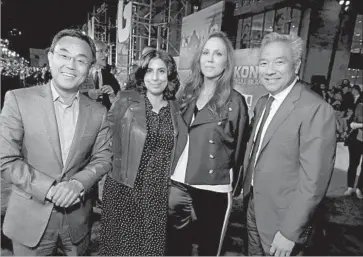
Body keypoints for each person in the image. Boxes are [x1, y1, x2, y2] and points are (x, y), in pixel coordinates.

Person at [0, 29, 112, 256]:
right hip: (30, 222)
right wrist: (49, 189)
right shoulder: (18, 100)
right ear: (50, 57)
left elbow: (104, 156)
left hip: (77, 224)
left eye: (81, 60)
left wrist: (79, 183)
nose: (71, 65)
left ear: (89, 67)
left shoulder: (98, 112)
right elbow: (6, 158)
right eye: (64, 55)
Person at [242, 32, 336, 256]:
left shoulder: (315, 109)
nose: (269, 70)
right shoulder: (263, 102)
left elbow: (314, 182)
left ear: (297, 65)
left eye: (279, 62)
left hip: (283, 221)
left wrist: (290, 232)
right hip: (254, 208)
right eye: (264, 63)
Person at [167, 31, 250, 256]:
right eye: (206, 52)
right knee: (174, 248)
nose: (210, 58)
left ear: (227, 62)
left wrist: (235, 185)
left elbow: (240, 149)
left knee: (209, 250)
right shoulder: (186, 93)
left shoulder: (235, 102)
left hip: (212, 187)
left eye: (218, 53)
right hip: (177, 184)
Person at [99, 49, 184, 256]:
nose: (155, 78)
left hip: (157, 194)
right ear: (142, 75)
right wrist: (101, 180)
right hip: (124, 189)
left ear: (169, 75)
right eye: (149, 71)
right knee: (122, 249)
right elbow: (104, 139)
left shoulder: (175, 107)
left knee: (150, 249)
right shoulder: (126, 100)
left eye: (161, 71)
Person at [82, 39, 120, 110]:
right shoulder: (82, 73)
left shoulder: (110, 77)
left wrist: (112, 94)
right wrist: (88, 94)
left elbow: (118, 102)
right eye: (101, 51)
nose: (106, 55)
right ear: (91, 53)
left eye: (106, 51)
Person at [344, 87, 363, 199]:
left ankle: (359, 189)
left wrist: (359, 125)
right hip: (356, 139)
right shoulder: (358, 107)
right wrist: (354, 125)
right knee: (353, 164)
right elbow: (350, 122)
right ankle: (350, 187)